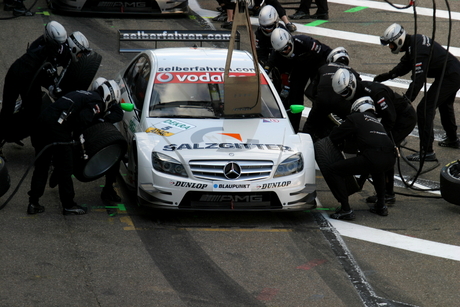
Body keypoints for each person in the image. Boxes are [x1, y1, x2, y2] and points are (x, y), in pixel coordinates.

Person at [27, 80, 122, 215]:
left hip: (41, 125)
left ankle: (33, 202)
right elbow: (83, 120)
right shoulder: (97, 102)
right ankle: (68, 205)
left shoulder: (83, 93)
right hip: (57, 130)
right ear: (109, 97)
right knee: (65, 168)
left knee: (42, 166)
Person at [0, 22, 91, 159]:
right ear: (74, 48)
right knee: (9, 110)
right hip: (18, 75)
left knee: (34, 111)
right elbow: (46, 71)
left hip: (30, 77)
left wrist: (52, 84)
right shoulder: (54, 50)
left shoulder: (59, 49)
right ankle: (7, 134)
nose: (80, 58)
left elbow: (46, 74)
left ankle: (15, 131)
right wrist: (52, 84)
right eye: (79, 55)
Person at [374, 23, 460, 161]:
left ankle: (427, 152)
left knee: (424, 109)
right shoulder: (412, 43)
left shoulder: (418, 50)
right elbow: (405, 65)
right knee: (444, 105)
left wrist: (406, 101)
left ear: (398, 40)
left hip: (450, 75)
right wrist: (388, 75)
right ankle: (452, 139)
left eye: (391, 44)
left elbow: (418, 80)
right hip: (452, 72)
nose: (390, 47)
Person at [332, 67, 417, 205]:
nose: (344, 96)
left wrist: (379, 138)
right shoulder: (355, 93)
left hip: (403, 119)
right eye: (341, 94)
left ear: (352, 85)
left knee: (385, 149)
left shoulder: (376, 92)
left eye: (345, 92)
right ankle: (376, 188)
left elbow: (390, 118)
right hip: (388, 118)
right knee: (373, 147)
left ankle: (388, 194)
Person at [327, 97, 397, 220]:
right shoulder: (376, 121)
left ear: (356, 109)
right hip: (390, 157)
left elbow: (334, 137)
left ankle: (345, 209)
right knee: (378, 169)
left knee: (333, 170)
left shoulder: (355, 118)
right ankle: (381, 205)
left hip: (374, 156)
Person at [270, 27, 332, 132]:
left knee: (319, 95)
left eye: (287, 47)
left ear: (290, 41)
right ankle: (293, 128)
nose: (286, 51)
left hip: (316, 67)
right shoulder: (276, 56)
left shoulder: (306, 42)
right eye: (282, 51)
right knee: (293, 97)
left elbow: (327, 53)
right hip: (297, 71)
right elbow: (273, 73)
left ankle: (322, 124)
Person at [302, 47, 361, 141]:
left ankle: (303, 144)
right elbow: (358, 95)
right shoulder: (354, 73)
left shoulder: (323, 68)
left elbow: (310, 92)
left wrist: (318, 103)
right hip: (343, 105)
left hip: (322, 102)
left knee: (310, 125)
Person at [91, 78, 124, 203]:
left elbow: (119, 113)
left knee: (115, 159)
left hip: (105, 136)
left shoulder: (111, 102)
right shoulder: (90, 102)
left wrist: (104, 120)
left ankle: (109, 188)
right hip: (89, 136)